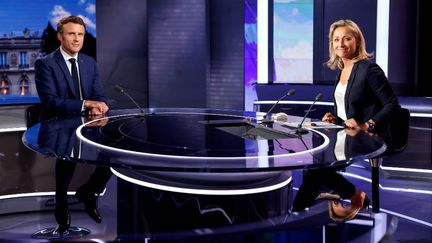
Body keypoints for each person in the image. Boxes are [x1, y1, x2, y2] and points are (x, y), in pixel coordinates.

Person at [34, 15, 111, 234]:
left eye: (80, 35)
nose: (77, 39)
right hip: (57, 125)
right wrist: (86, 103)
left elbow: (99, 94)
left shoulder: (89, 62)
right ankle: (61, 204)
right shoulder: (45, 63)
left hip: (87, 124)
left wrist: (101, 105)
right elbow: (51, 101)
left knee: (114, 154)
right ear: (60, 36)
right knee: (68, 154)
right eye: (71, 34)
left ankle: (89, 191)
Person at [321, 19, 399, 133]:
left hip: (368, 141)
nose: (341, 44)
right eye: (336, 40)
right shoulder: (342, 70)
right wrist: (334, 118)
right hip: (346, 138)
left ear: (357, 41)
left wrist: (367, 125)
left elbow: (392, 104)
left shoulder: (369, 69)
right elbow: (351, 111)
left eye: (347, 39)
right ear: (332, 44)